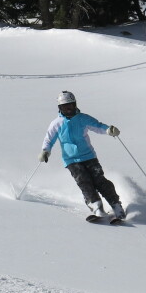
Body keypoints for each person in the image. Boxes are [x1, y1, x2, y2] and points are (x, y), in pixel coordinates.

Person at [39, 90, 126, 220]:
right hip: (71, 160)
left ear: (75, 105)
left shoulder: (83, 118)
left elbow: (98, 126)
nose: (68, 109)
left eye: (70, 106)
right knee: (84, 181)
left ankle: (116, 206)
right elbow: (49, 139)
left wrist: (109, 130)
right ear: (60, 108)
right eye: (64, 107)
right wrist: (45, 151)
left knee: (99, 180)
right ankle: (97, 207)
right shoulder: (56, 123)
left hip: (88, 156)